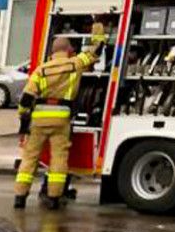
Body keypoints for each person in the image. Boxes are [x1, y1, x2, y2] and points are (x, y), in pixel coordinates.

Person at [15, 23, 109, 210]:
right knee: (58, 159)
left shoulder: (41, 70)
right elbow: (96, 51)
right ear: (67, 50)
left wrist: (24, 119)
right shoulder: (74, 64)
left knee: (29, 159)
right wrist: (98, 26)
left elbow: (26, 98)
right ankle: (54, 197)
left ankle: (20, 197)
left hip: (39, 118)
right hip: (62, 118)